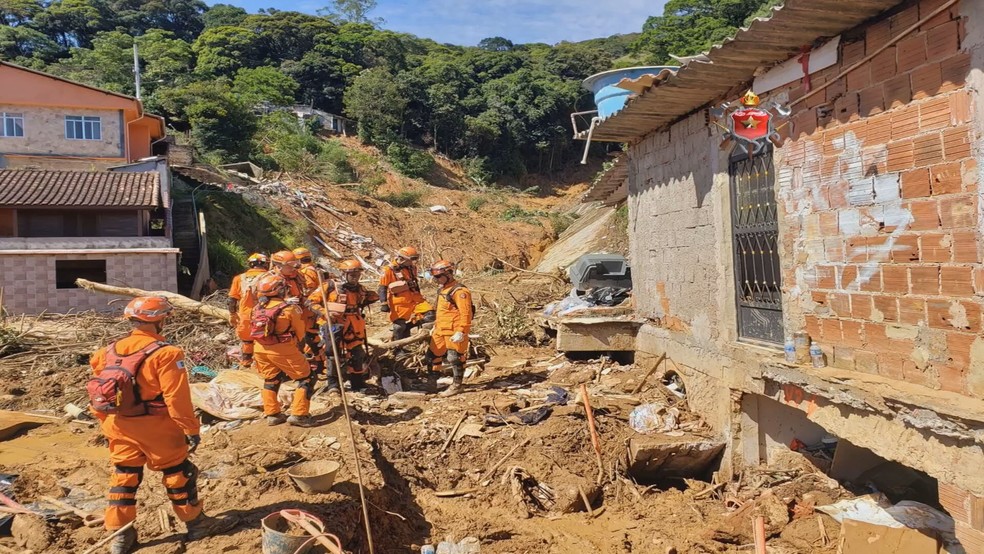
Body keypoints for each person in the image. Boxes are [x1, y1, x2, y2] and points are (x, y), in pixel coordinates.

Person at [88, 297, 238, 554]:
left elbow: (98, 394)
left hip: (118, 425)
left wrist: (106, 424)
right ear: (161, 320)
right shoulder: (167, 354)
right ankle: (196, 523)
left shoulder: (106, 352)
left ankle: (120, 535)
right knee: (179, 473)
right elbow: (176, 398)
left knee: (124, 476)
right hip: (157, 428)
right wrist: (190, 429)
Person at [249, 274, 317, 427]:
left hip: (259, 349)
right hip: (283, 349)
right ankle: (299, 415)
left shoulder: (256, 308)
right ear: (280, 290)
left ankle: (272, 414)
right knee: (307, 378)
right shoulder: (289, 309)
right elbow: (300, 333)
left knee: (271, 379)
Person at [310, 259, 378, 395]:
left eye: (358, 275)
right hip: (334, 324)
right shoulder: (330, 286)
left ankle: (357, 383)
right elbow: (311, 302)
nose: (355, 278)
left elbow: (365, 299)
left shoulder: (360, 289)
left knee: (357, 354)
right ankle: (333, 384)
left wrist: (373, 297)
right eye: (352, 275)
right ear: (343, 274)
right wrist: (325, 313)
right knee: (332, 355)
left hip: (354, 325)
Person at [426, 260, 474, 397]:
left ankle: (457, 385)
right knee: (432, 356)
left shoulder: (459, 291)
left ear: (448, 274)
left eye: (438, 276)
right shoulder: (442, 290)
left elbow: (466, 313)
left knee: (455, 358)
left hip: (454, 330)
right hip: (440, 329)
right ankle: (432, 382)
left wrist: (461, 331)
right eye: (434, 277)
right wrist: (435, 325)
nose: (435, 279)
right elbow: (441, 311)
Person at [377, 247, 426, 346]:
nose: (413, 262)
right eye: (411, 259)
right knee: (399, 326)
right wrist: (384, 303)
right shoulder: (388, 270)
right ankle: (398, 348)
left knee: (430, 315)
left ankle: (409, 329)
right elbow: (382, 287)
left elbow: (415, 283)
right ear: (402, 258)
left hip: (414, 299)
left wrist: (419, 295)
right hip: (399, 302)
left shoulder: (412, 268)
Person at [227, 252, 268, 369]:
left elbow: (231, 300)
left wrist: (232, 314)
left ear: (250, 264)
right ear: (265, 264)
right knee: (264, 341)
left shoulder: (239, 278)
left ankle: (246, 363)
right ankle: (262, 365)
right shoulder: (269, 277)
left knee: (247, 341)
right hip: (263, 314)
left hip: (244, 316)